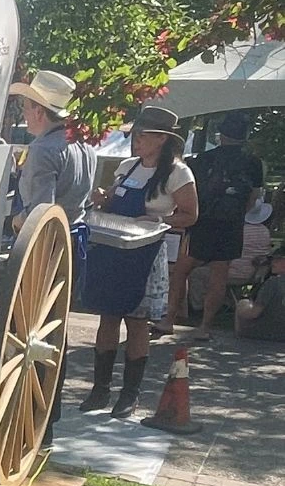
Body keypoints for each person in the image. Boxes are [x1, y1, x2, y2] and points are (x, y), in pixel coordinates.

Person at [79, 106, 198, 418]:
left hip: (146, 253)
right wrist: (104, 198)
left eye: (142, 135)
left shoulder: (177, 173)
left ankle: (129, 394)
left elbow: (190, 215)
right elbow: (113, 200)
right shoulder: (128, 167)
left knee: (136, 322)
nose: (135, 140)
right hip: (114, 248)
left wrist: (159, 219)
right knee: (108, 317)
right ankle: (100, 389)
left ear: (161, 139)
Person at [6, 69, 97, 443]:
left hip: (43, 249)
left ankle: (19, 420)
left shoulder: (44, 150)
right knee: (52, 333)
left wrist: (13, 220)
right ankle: (45, 419)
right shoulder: (84, 147)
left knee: (22, 336)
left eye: (27, 107)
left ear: (40, 111)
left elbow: (38, 215)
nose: (24, 114)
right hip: (72, 243)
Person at [165, 111, 264, 339]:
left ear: (221, 135)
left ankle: (169, 319)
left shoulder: (202, 159)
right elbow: (253, 198)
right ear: (245, 136)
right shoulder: (253, 163)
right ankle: (205, 327)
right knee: (219, 275)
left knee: (181, 271)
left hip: (201, 222)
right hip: (230, 225)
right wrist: (238, 215)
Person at [235, 248, 285, 342]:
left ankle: (240, 335)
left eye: (278, 260)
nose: (273, 263)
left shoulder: (273, 282)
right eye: (272, 260)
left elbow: (253, 313)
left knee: (243, 302)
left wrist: (240, 309)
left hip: (266, 333)